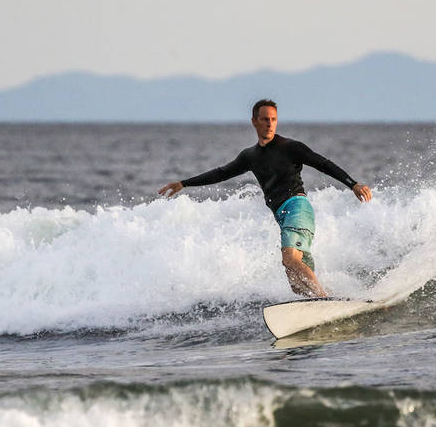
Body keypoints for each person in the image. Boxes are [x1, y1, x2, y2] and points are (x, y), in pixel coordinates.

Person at [158, 99, 372, 298]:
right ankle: (334, 299)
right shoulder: (249, 156)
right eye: (265, 119)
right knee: (296, 284)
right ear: (254, 122)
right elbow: (220, 173)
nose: (270, 124)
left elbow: (323, 163)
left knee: (290, 260)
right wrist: (184, 183)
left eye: (273, 120)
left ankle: (325, 301)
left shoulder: (291, 147)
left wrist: (352, 184)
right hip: (284, 217)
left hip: (297, 208)